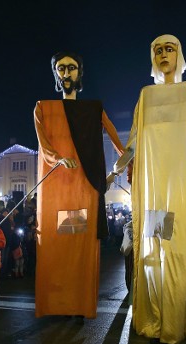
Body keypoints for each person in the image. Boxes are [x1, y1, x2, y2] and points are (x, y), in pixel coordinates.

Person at [111, 35, 186, 344]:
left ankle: (177, 321)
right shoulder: (147, 95)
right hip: (154, 188)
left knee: (182, 251)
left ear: (179, 54)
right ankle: (155, 319)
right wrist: (116, 167)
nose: (163, 54)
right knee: (155, 250)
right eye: (157, 50)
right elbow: (134, 139)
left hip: (181, 186)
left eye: (169, 49)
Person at [33, 51, 124, 319]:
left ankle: (78, 305)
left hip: (85, 187)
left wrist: (127, 162)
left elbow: (117, 141)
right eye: (61, 68)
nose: (66, 73)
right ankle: (57, 305)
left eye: (71, 68)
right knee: (56, 248)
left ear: (79, 73)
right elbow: (44, 144)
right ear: (56, 74)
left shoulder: (93, 108)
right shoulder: (43, 107)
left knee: (80, 249)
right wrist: (58, 159)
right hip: (56, 188)